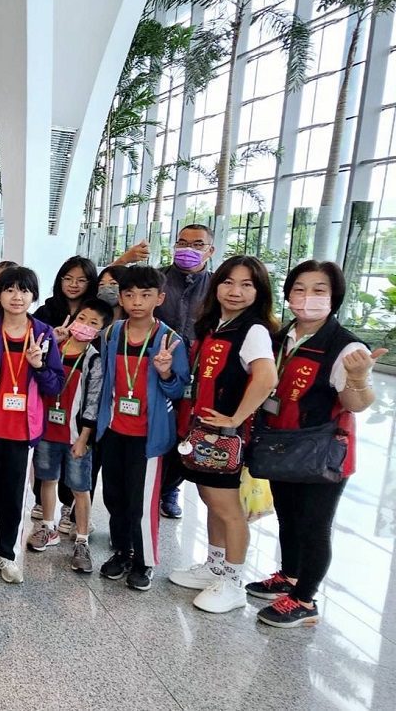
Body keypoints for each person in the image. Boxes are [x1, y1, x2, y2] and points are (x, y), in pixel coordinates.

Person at [246, 260, 383, 628]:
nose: (308, 298)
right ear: (288, 294)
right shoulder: (282, 336)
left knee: (314, 524)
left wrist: (358, 376)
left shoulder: (345, 345)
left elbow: (356, 404)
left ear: (334, 296)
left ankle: (305, 598)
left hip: (322, 452)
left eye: (319, 290)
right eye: (300, 289)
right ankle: (288, 576)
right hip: (282, 444)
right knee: (288, 516)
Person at [167, 256, 278, 613]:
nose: (235, 291)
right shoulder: (216, 324)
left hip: (226, 436)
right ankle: (214, 566)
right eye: (229, 282)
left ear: (259, 292)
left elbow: (266, 378)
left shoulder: (253, 330)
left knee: (228, 508)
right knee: (210, 500)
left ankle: (232, 581)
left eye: (247, 285)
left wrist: (234, 418)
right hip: (203, 431)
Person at [96, 265, 190, 592]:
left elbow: (179, 391)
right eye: (130, 294)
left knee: (142, 502)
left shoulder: (170, 340)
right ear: (120, 297)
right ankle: (122, 552)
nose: (137, 301)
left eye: (146, 295)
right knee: (115, 497)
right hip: (113, 430)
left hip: (148, 438)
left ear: (160, 298)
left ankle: (144, 561)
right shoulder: (111, 334)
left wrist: (165, 373)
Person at [0, 266, 64, 585]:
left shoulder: (43, 333)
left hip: (24, 430)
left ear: (33, 296)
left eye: (24, 290)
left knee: (15, 496)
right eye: (10, 289)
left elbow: (56, 386)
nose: (17, 296)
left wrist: (38, 366)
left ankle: (6, 554)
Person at [122, 224, 215, 520]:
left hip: (200, 373)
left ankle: (169, 487)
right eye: (182, 242)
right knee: (157, 428)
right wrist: (125, 259)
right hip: (156, 370)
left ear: (210, 251)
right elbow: (111, 289)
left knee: (184, 433)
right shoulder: (157, 280)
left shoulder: (216, 286)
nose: (188, 249)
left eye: (198, 244)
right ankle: (145, 487)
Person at [26, 298, 111, 572]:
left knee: (79, 488)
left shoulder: (94, 359)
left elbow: (93, 400)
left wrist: (84, 438)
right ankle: (48, 528)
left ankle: (82, 539)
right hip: (48, 430)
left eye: (93, 323)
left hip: (75, 435)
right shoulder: (54, 348)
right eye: (82, 318)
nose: (85, 325)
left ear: (100, 331)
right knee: (47, 480)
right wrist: (53, 338)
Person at [30, 256, 99, 529]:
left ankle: (73, 511)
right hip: (49, 400)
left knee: (78, 464)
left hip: (79, 405)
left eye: (81, 280)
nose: (74, 284)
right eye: (68, 278)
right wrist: (53, 342)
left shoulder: (95, 314)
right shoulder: (46, 312)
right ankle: (44, 508)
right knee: (46, 461)